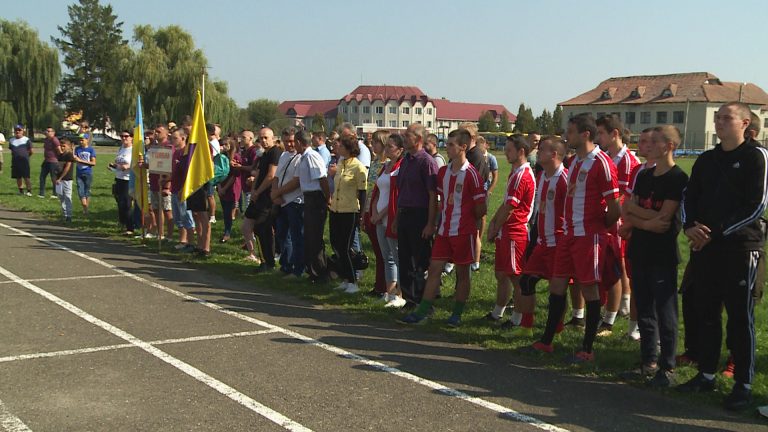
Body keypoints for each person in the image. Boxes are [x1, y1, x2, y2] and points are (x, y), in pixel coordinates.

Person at [677, 102, 768, 411]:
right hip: (706, 249)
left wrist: (714, 231)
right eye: (717, 118)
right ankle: (706, 374)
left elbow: (756, 206)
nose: (719, 122)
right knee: (706, 313)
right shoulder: (706, 159)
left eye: (726, 118)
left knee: (740, 319)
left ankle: (743, 383)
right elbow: (689, 197)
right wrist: (690, 226)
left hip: (741, 249)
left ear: (745, 123)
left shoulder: (756, 157)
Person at [531, 113, 619, 364]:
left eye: (569, 132)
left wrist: (598, 229)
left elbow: (614, 207)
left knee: (589, 288)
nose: (565, 137)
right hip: (568, 236)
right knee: (557, 285)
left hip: (588, 236)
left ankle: (587, 348)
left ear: (585, 134)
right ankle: (547, 341)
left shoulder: (601, 162)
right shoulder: (576, 162)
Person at [398, 129, 487, 326]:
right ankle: (422, 310)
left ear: (463, 147)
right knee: (434, 268)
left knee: (462, 273)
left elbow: (481, 209)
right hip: (444, 231)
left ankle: (457, 313)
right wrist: (434, 223)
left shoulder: (471, 174)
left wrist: (464, 218)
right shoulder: (444, 172)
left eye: (451, 144)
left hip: (463, 232)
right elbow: (437, 199)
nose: (447, 147)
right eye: (447, 144)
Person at [621, 125, 688, 387]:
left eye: (655, 141)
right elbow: (629, 209)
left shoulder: (677, 178)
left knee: (665, 310)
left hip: (662, 254)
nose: (648, 144)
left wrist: (639, 215)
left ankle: (667, 367)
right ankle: (648, 361)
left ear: (669, 145)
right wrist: (645, 222)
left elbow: (666, 218)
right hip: (640, 249)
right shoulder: (645, 175)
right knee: (645, 308)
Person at [501, 136, 567, 337]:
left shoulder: (564, 178)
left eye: (542, 150)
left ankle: (557, 329)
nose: (537, 152)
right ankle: (526, 327)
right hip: (541, 241)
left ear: (554, 155)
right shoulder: (543, 176)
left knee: (558, 289)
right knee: (526, 281)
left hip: (558, 242)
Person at [595, 114, 639, 336]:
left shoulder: (629, 161)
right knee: (611, 266)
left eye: (601, 133)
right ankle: (619, 304)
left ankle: (619, 309)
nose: (598, 137)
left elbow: (624, 196)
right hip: (607, 220)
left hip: (619, 221)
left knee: (618, 265)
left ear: (615, 134)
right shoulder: (606, 157)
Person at [483, 135, 535, 324]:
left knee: (516, 277)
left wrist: (495, 226)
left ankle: (517, 319)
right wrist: (494, 224)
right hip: (506, 232)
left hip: (515, 233)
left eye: (509, 150)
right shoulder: (515, 172)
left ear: (521, 152)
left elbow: (510, 208)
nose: (505, 153)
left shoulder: (522, 175)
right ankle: (497, 312)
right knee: (501, 274)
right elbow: (505, 204)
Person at [394, 124, 439, 307]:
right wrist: (397, 218)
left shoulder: (427, 162)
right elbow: (401, 191)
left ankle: (421, 300)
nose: (404, 138)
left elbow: (432, 195)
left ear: (419, 140)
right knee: (404, 259)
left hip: (419, 215)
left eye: (408, 135)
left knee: (418, 261)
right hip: (404, 213)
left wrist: (430, 223)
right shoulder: (405, 160)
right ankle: (409, 298)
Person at [371, 133, 407, 307]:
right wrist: (374, 211)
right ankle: (389, 291)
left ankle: (399, 294)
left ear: (400, 150)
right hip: (379, 219)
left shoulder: (401, 168)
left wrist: (381, 214)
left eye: (390, 147)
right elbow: (378, 191)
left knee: (397, 257)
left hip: (391, 218)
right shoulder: (384, 166)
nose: (387, 149)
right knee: (387, 257)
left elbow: (396, 197)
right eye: (387, 146)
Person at [329, 133, 368, 293]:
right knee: (335, 244)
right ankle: (345, 277)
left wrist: (361, 215)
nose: (337, 148)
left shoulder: (358, 167)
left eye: (341, 146)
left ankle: (353, 280)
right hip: (336, 209)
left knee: (345, 247)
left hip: (349, 211)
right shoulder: (341, 163)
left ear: (349, 148)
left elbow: (363, 192)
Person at [294, 129, 330, 283]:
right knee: (309, 236)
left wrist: (328, 198)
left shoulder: (312, 156)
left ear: (298, 142)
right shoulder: (304, 157)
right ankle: (313, 270)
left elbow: (322, 178)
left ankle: (320, 272)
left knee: (314, 236)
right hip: (308, 197)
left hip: (316, 198)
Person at [247, 127, 281, 271]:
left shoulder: (275, 152)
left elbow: (270, 175)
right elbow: (260, 173)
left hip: (267, 197)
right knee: (253, 225)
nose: (263, 141)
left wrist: (258, 191)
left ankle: (268, 261)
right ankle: (263, 259)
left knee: (262, 227)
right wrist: (254, 190)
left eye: (266, 138)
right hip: (259, 196)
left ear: (272, 138)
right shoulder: (264, 154)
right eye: (261, 138)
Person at [272, 128, 304, 279]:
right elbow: (277, 177)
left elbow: (296, 182)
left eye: (292, 141)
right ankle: (285, 264)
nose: (289, 144)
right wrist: (274, 193)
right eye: (286, 141)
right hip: (281, 201)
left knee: (293, 236)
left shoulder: (300, 157)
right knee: (281, 234)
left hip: (294, 200)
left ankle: (294, 266)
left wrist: (278, 192)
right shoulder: (284, 155)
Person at [362, 130, 391, 296]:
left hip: (381, 210)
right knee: (376, 249)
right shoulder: (374, 162)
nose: (372, 145)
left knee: (383, 252)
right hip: (369, 208)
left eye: (376, 142)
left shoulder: (386, 164)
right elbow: (369, 188)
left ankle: (384, 287)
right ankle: (379, 285)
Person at [460, 122, 489, 272]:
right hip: (468, 198)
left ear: (471, 137)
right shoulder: (469, 153)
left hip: (475, 199)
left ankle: (474, 261)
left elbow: (473, 179)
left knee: (474, 231)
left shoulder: (475, 154)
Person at [169, 128, 195, 251]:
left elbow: (187, 174)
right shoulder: (175, 152)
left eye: (175, 138)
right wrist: (166, 180)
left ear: (183, 138)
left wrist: (183, 188)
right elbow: (174, 172)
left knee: (186, 216)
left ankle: (191, 242)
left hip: (182, 190)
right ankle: (182, 240)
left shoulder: (186, 153)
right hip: (174, 188)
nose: (172, 140)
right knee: (178, 217)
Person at [148, 124, 174, 239]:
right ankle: (160, 233)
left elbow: (170, 167)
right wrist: (144, 165)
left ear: (166, 133)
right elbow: (154, 164)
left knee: (167, 210)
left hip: (164, 183)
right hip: (154, 182)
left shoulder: (169, 147)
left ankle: (170, 235)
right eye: (155, 131)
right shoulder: (154, 147)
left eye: (159, 131)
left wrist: (167, 185)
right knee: (156, 209)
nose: (156, 133)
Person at [218, 136, 242, 244]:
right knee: (225, 211)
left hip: (231, 186)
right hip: (221, 185)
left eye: (225, 145)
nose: (223, 147)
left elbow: (234, 175)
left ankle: (227, 232)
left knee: (229, 209)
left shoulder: (236, 157)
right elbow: (217, 172)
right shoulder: (221, 156)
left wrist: (225, 188)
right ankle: (226, 229)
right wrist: (219, 187)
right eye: (221, 145)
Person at [112, 130, 134, 235]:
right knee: (120, 203)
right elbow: (118, 162)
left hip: (128, 179)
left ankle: (130, 228)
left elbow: (131, 165)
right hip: (119, 178)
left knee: (127, 204)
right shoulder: (121, 148)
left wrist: (124, 167)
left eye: (126, 136)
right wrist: (114, 166)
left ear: (131, 137)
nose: (124, 138)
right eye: (122, 136)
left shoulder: (133, 150)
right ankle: (123, 223)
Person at [73, 134, 96, 215]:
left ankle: (85, 208)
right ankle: (85, 208)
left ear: (87, 140)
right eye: (79, 140)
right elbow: (74, 158)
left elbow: (93, 163)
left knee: (87, 190)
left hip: (88, 172)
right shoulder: (77, 149)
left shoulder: (91, 150)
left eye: (82, 140)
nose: (80, 141)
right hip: (79, 172)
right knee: (80, 190)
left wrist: (80, 161)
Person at [54, 137, 76, 223]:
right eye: (61, 146)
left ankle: (69, 216)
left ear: (68, 146)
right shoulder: (60, 155)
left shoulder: (69, 155)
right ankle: (64, 214)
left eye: (64, 146)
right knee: (61, 197)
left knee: (67, 196)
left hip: (67, 179)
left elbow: (67, 167)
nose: (62, 147)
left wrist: (60, 178)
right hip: (59, 179)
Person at [9, 125, 33, 196]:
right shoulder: (11, 140)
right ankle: (21, 191)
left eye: (19, 130)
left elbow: (31, 151)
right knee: (18, 177)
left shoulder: (26, 140)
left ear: (23, 131)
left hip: (24, 162)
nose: (17, 131)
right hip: (15, 161)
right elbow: (12, 150)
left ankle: (29, 191)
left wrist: (26, 157)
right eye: (16, 130)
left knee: (26, 177)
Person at [39, 127, 62, 198]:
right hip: (46, 160)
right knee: (42, 177)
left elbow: (59, 150)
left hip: (53, 161)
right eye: (46, 131)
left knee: (54, 178)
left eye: (49, 131)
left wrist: (59, 160)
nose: (47, 132)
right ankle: (41, 193)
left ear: (53, 133)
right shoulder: (46, 140)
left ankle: (56, 193)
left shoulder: (55, 140)